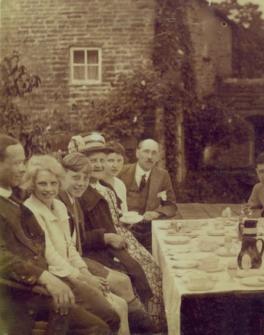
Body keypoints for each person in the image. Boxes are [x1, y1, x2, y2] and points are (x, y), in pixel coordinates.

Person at [0, 134, 113, 334]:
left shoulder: (14, 198)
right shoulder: (20, 203)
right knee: (100, 326)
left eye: (24, 162)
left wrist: (76, 275)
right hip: (20, 295)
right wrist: (47, 278)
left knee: (110, 316)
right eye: (17, 163)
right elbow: (3, 259)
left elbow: (44, 245)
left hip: (47, 282)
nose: (23, 169)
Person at [74, 133, 166, 331]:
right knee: (140, 274)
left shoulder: (105, 186)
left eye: (102, 160)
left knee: (155, 269)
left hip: (121, 238)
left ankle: (155, 323)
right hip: (102, 249)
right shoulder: (80, 192)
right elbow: (77, 238)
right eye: (93, 161)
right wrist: (105, 237)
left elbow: (116, 216)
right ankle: (146, 328)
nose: (98, 165)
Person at [22, 155, 124, 334]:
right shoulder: (30, 210)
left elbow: (70, 247)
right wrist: (83, 278)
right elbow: (50, 256)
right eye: (42, 184)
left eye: (53, 183)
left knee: (116, 307)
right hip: (56, 277)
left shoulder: (59, 206)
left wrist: (85, 271)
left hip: (72, 272)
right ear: (32, 184)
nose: (49, 189)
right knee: (110, 313)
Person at [59, 152, 154, 333]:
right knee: (121, 285)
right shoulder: (60, 202)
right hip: (71, 263)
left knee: (126, 279)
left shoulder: (75, 199)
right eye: (75, 177)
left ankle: (146, 328)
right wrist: (86, 274)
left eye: (85, 178)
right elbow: (67, 247)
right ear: (63, 175)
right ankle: (148, 329)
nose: (81, 183)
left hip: (77, 258)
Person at [118, 139, 177, 250]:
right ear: (137, 153)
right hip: (125, 231)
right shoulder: (121, 172)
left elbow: (171, 206)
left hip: (150, 231)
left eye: (154, 153)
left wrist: (157, 213)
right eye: (146, 151)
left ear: (158, 156)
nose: (150, 156)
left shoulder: (162, 175)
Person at [103, 141, 128, 212]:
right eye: (110, 160)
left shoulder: (120, 184)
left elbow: (124, 213)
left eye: (119, 160)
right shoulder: (97, 185)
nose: (115, 165)